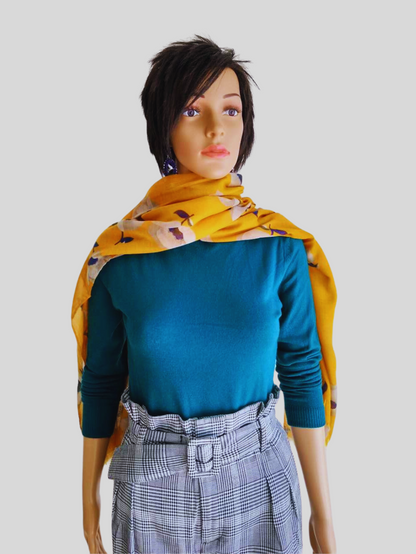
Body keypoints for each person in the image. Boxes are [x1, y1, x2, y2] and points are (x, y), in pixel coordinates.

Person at [75, 35, 337, 554]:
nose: (217, 128)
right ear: (163, 125)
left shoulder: (278, 247)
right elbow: (100, 381)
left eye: (231, 110)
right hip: (150, 487)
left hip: (261, 478)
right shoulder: (120, 255)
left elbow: (302, 370)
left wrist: (323, 516)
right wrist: (88, 503)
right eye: (192, 110)